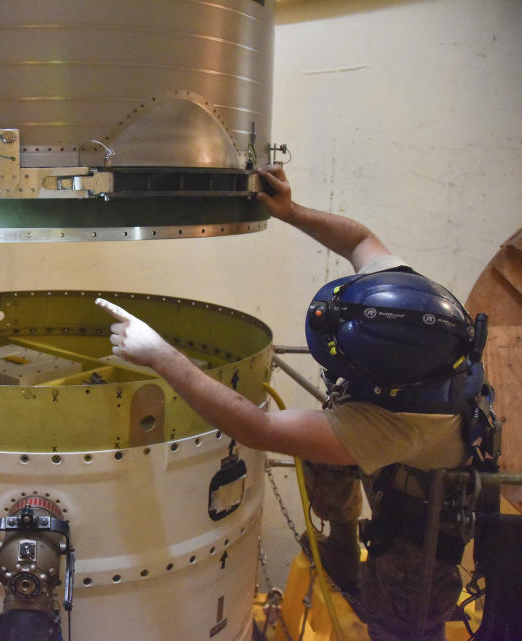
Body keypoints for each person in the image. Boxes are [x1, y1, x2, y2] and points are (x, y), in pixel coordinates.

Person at [96, 165, 497, 641]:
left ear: (382, 379)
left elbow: (257, 429)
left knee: (404, 610)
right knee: (325, 445)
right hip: (401, 453)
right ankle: (342, 547)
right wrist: (290, 211)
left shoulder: (398, 423)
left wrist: (160, 354)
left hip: (425, 501)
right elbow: (359, 239)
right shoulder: (406, 304)